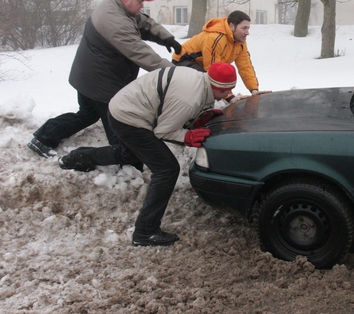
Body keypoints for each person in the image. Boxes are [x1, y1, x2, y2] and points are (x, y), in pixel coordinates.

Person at [57, 62, 238, 246]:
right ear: (215, 85)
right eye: (225, 91)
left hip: (124, 107)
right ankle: (145, 232)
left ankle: (77, 158)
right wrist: (187, 136)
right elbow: (163, 131)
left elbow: (171, 107)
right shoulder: (189, 99)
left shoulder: (198, 80)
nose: (227, 95)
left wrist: (197, 117)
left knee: (129, 155)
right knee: (166, 169)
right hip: (129, 118)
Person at [27, 0, 182, 158]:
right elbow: (143, 55)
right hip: (101, 83)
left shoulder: (116, 6)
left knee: (87, 114)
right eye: (140, 1)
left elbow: (143, 22)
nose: (142, 6)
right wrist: (178, 75)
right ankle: (118, 159)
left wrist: (166, 38)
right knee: (118, 123)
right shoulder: (115, 22)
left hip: (88, 76)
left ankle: (44, 137)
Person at [171, 10, 270, 103]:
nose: (247, 32)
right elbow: (212, 69)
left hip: (202, 65)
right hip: (183, 61)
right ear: (232, 26)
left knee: (213, 83)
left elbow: (245, 66)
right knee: (206, 82)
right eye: (244, 28)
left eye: (248, 28)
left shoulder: (240, 42)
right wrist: (230, 97)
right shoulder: (215, 38)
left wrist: (254, 89)